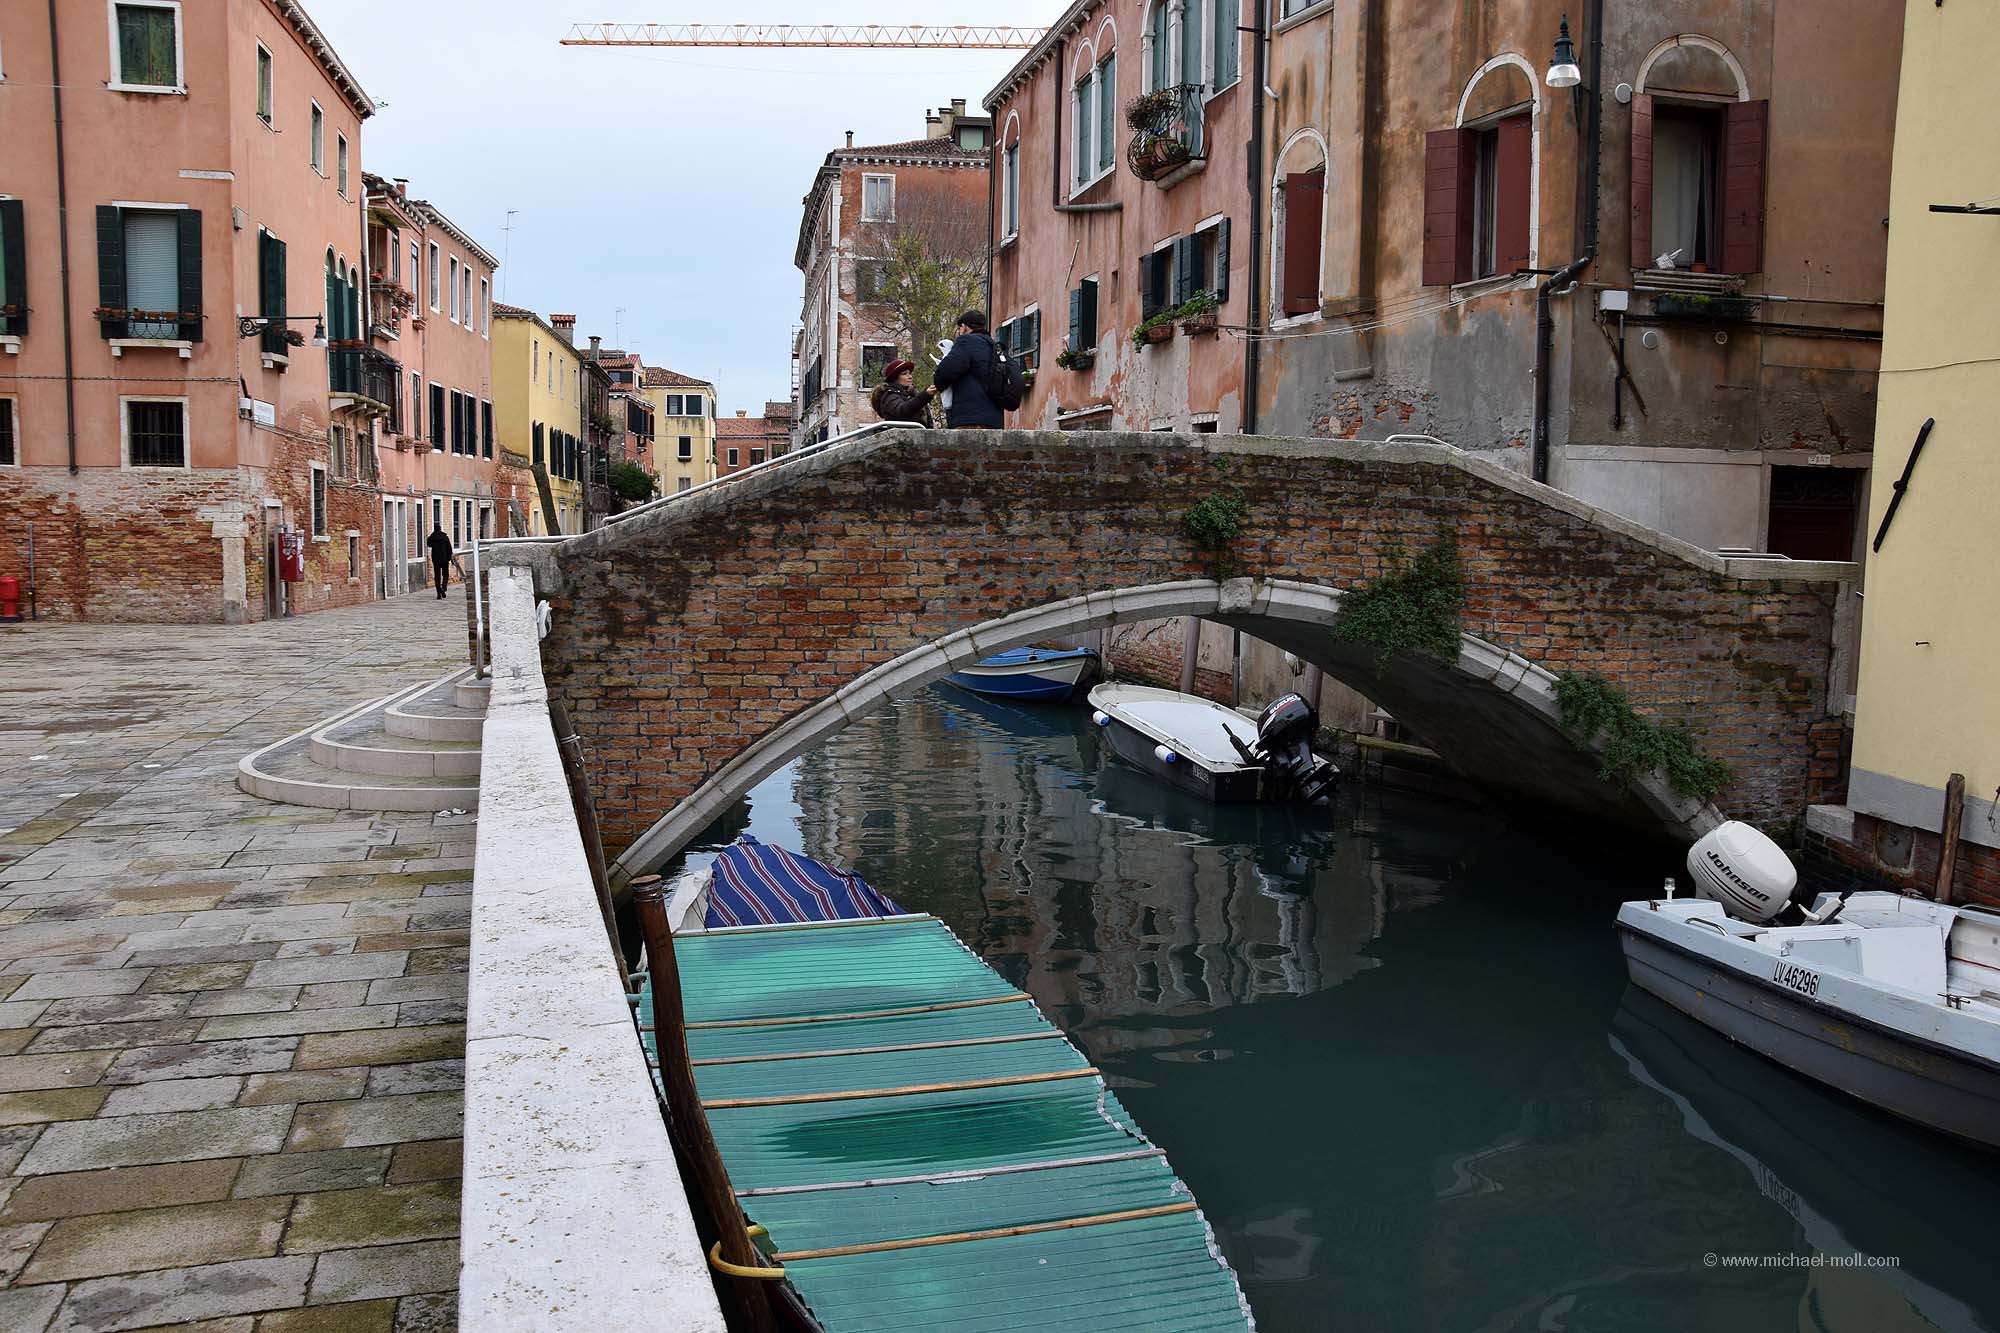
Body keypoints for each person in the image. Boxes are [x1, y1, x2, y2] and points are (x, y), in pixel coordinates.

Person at [931, 310, 1005, 429]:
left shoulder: (966, 342)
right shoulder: (994, 346)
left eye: (959, 328)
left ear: (964, 327)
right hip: (995, 420)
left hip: (969, 418)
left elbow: (943, 373)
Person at [870, 358, 935, 427]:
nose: (910, 377)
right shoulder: (889, 396)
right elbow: (902, 411)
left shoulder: (913, 394)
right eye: (904, 374)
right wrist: (925, 395)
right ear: (895, 378)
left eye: (909, 373)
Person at [427, 524, 454, 600]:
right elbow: (449, 549)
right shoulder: (445, 537)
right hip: (445, 559)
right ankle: (443, 588)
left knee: (437, 576)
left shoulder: (431, 538)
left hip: (436, 560)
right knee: (445, 574)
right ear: (440, 528)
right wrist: (451, 559)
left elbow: (429, 544)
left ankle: (439, 594)